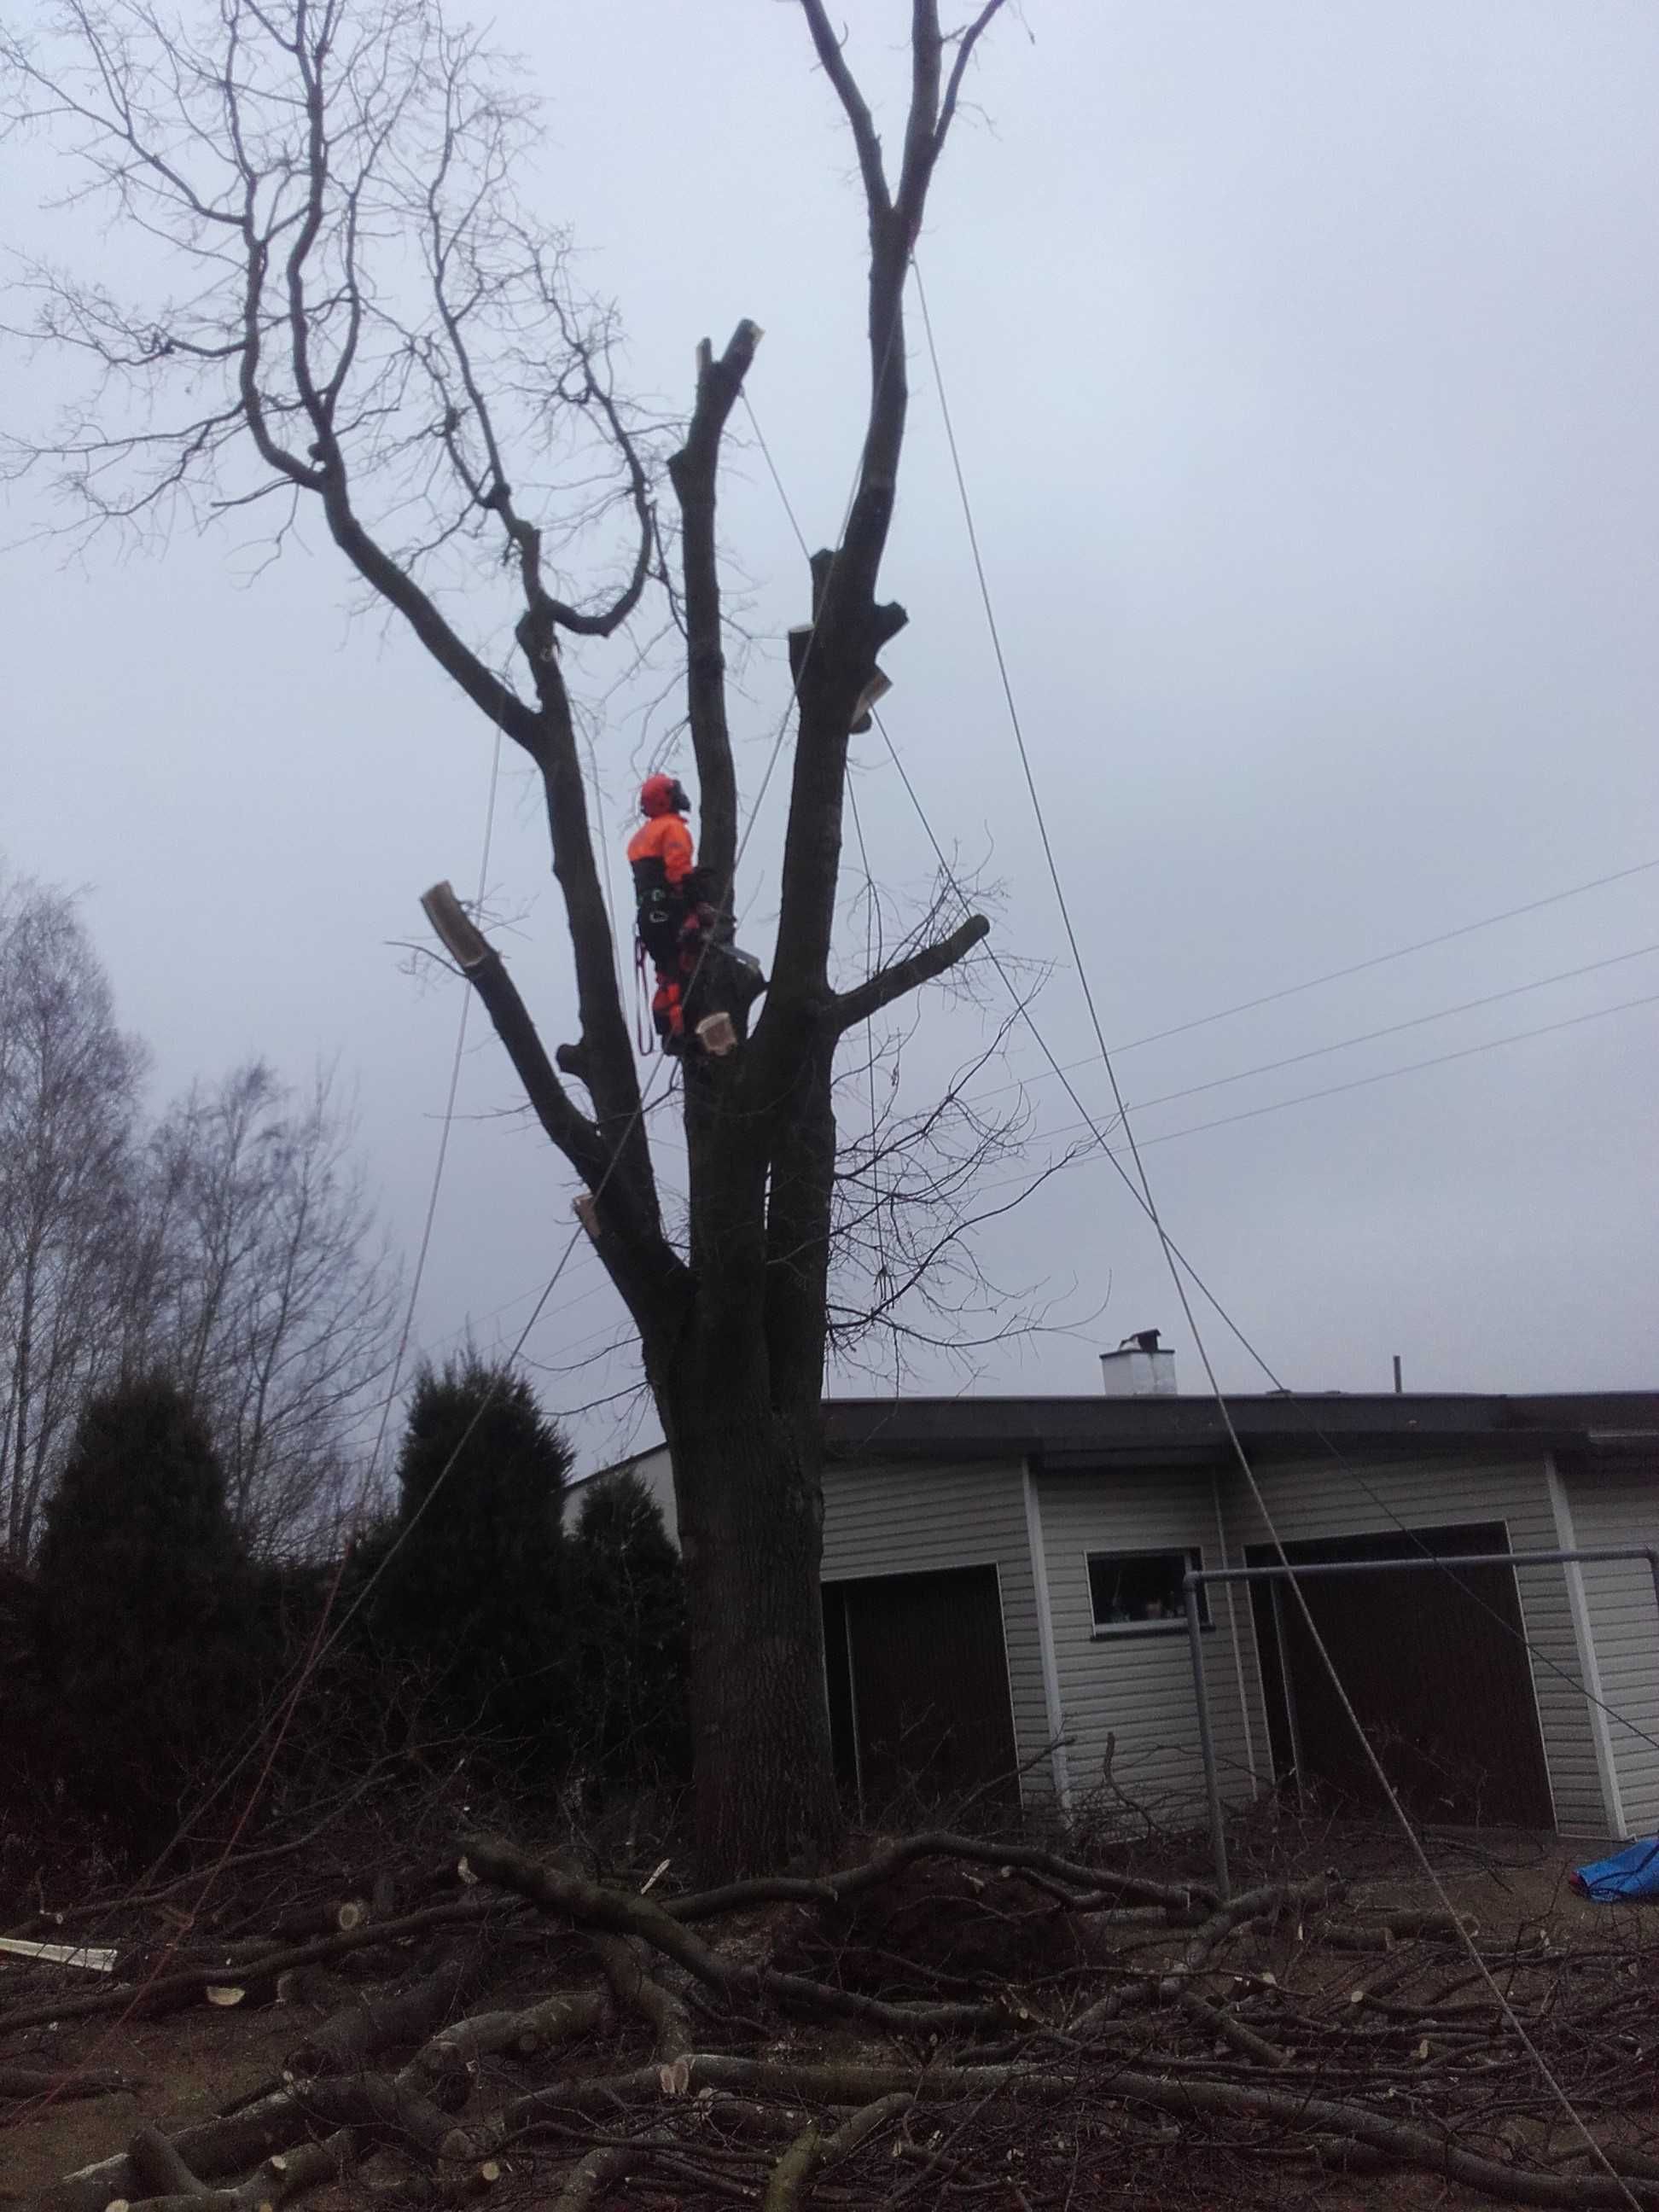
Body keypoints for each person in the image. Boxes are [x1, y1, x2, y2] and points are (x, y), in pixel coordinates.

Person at [626, 774, 701, 1052]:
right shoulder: (672, 829)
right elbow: (678, 869)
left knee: (667, 973)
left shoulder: (640, 838)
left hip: (649, 915)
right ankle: (684, 1033)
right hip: (668, 910)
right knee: (683, 968)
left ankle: (668, 1030)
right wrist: (694, 903)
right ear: (664, 799)